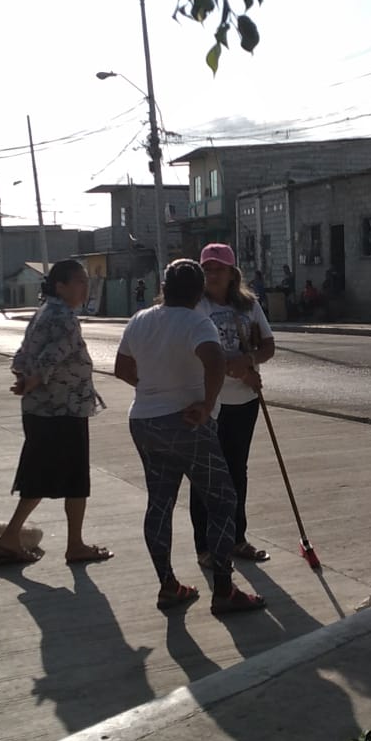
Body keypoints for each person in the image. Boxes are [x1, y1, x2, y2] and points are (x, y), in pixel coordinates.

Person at [113, 259, 267, 616]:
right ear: (199, 292)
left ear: (163, 287)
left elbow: (122, 368)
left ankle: (168, 585)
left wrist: (152, 390)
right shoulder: (197, 322)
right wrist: (206, 404)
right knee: (223, 501)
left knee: (160, 502)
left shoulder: (140, 319)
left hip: (145, 421)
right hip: (187, 423)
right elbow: (214, 361)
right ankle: (224, 590)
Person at [0, 260, 114, 564]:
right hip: (62, 409)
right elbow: (51, 357)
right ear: (60, 286)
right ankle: (72, 544)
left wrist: (24, 380)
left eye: (86, 281)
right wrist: (32, 381)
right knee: (72, 479)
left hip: (44, 409)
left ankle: (16, 535)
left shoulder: (45, 312)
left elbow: (23, 355)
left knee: (40, 475)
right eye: (79, 281)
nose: (85, 288)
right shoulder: (64, 317)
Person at [190, 243, 275, 568]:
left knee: (237, 471)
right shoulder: (195, 306)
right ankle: (205, 546)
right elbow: (195, 350)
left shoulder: (249, 305)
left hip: (244, 400)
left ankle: (237, 538)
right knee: (205, 473)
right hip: (208, 400)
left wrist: (248, 361)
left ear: (232, 273)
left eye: (219, 268)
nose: (213, 274)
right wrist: (237, 369)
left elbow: (268, 345)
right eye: (207, 269)